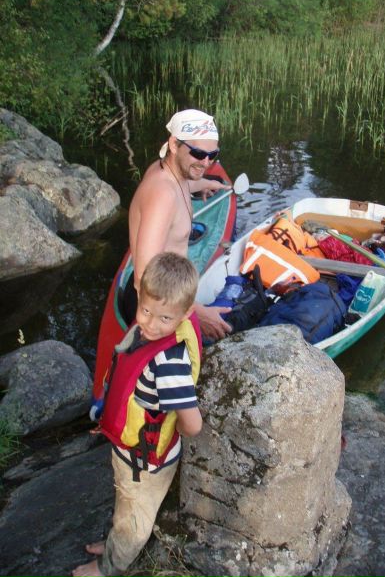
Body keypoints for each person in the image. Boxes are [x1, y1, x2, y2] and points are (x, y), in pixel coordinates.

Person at [73, 252, 203, 577]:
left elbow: (193, 424)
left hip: (144, 462)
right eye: (145, 311)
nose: (151, 324)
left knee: (134, 519)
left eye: (165, 318)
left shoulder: (169, 364)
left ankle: (109, 567)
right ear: (139, 296)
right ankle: (116, 543)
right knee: (126, 506)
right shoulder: (145, 332)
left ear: (186, 313)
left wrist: (173, 426)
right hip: (129, 454)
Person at [127, 108, 233, 341]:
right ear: (174, 144)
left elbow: (181, 184)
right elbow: (143, 275)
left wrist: (204, 183)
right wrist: (196, 313)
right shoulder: (162, 195)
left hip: (169, 298)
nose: (206, 163)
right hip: (156, 307)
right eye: (198, 153)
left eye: (212, 155)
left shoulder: (165, 170)